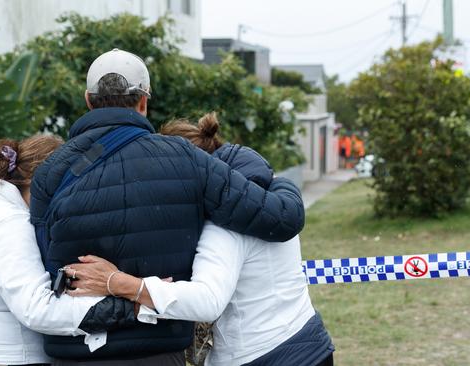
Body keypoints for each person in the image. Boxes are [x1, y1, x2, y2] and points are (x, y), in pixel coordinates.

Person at [29, 49, 306, 365]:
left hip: (74, 350)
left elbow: (46, 269)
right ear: (144, 102)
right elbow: (282, 219)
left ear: (88, 100)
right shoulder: (184, 158)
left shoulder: (51, 172)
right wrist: (276, 180)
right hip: (158, 350)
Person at [66, 113, 335, 366]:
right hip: (308, 341)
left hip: (265, 354)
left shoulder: (227, 224)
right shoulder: (261, 199)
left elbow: (208, 300)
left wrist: (119, 283)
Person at [0, 135, 133, 366]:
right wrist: (130, 303)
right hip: (1, 359)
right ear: (39, 182)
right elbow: (37, 310)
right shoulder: (9, 223)